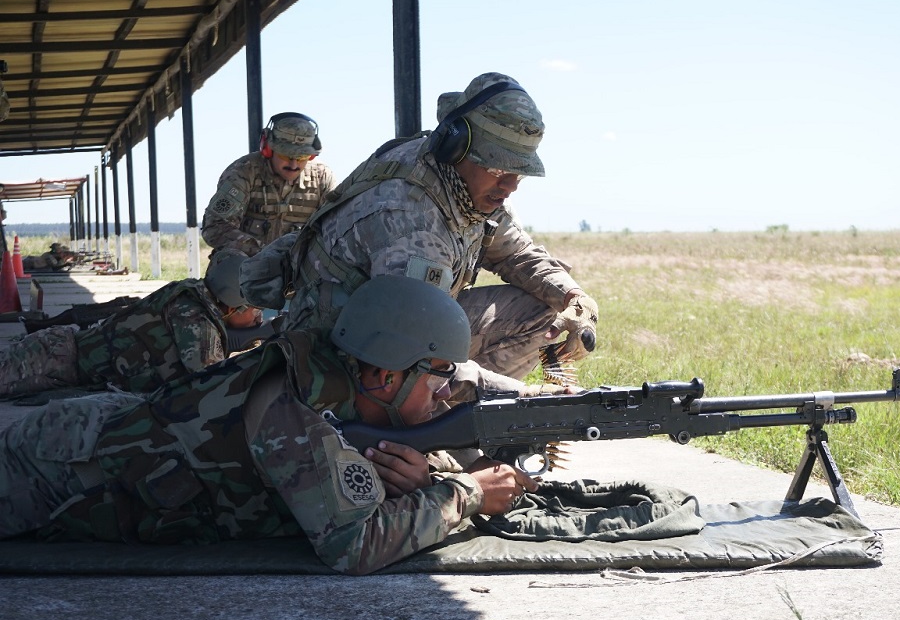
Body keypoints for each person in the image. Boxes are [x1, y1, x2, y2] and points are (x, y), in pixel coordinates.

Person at [0, 275, 538, 575]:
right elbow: (354, 545)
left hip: (92, 438)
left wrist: (429, 478)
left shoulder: (345, 382)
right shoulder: (294, 412)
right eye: (438, 374)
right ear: (384, 374)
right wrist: (466, 494)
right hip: (62, 464)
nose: (445, 391)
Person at [243, 73, 599, 402]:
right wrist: (521, 394)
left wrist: (575, 298)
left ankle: (453, 417)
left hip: (399, 335)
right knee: (422, 394)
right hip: (344, 359)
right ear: (455, 146)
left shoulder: (467, 187)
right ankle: (446, 426)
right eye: (498, 167)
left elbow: (515, 253)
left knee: (544, 309)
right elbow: (412, 354)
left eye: (519, 173)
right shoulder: (411, 218)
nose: (510, 186)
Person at [0, 248, 261, 398]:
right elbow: (211, 380)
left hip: (65, 362)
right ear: (232, 305)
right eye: (255, 309)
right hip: (57, 358)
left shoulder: (193, 293)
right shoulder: (193, 315)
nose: (258, 316)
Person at [201, 112, 337, 256]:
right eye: (285, 155)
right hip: (247, 262)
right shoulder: (244, 171)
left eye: (302, 157)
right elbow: (215, 227)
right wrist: (266, 253)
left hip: (299, 263)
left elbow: (335, 228)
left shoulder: (322, 177)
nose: (294, 164)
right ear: (268, 150)